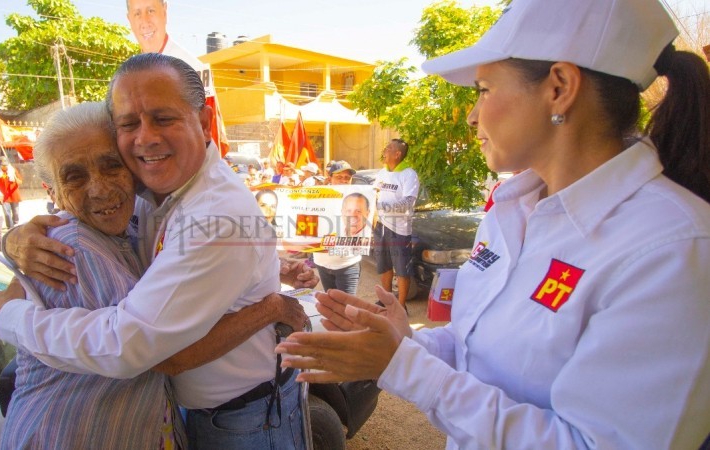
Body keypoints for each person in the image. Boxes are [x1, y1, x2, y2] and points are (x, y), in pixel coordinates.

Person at [276, 0, 710, 448]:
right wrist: (400, 345)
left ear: (559, 87)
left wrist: (402, 366)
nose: (471, 115)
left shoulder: (671, 247)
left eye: (483, 89)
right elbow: (478, 350)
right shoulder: (511, 212)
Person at [0, 54, 312, 449]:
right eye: (128, 124)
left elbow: (143, 350)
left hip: (242, 420)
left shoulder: (212, 214)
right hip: (193, 415)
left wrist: (10, 319)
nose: (145, 137)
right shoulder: (151, 190)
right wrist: (13, 241)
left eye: (163, 118)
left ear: (205, 121)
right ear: (52, 192)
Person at [0, 102, 188, 449]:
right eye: (75, 177)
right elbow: (164, 354)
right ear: (52, 193)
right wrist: (271, 308)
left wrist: (9, 240)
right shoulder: (76, 247)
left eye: (111, 165)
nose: (100, 189)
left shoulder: (130, 224)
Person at [373, 138, 419, 308]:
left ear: (397, 154)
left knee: (402, 269)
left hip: (399, 228)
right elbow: (374, 194)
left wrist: (381, 206)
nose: (384, 151)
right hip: (381, 226)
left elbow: (408, 203)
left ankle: (401, 305)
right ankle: (386, 301)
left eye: (388, 148)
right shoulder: (382, 173)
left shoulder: (409, 174)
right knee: (384, 266)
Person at [313, 161, 365, 295]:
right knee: (332, 306)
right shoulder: (317, 198)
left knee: (347, 309)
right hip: (322, 263)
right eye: (339, 177)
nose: (343, 181)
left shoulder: (359, 198)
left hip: (348, 264)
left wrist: (374, 200)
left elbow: (369, 225)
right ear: (330, 178)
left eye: (347, 178)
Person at [0, 155, 24, 228]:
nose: (5, 167)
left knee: (16, 212)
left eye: (6, 165)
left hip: (13, 194)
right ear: (0, 165)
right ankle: (10, 227)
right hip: (3, 195)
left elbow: (20, 182)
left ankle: (16, 224)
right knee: (7, 213)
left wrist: (15, 177)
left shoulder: (13, 170)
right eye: (3, 165)